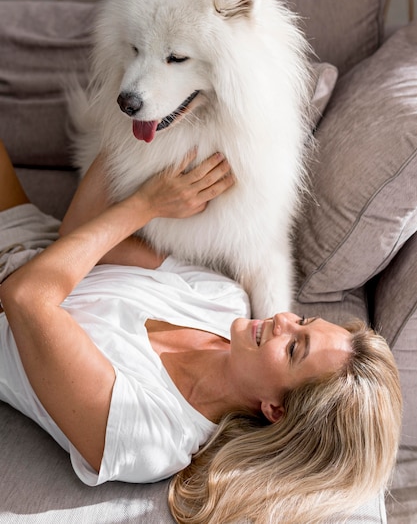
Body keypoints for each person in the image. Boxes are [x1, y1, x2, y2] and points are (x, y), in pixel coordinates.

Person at [0, 140, 401, 524]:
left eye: (294, 348)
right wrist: (139, 126)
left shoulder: (151, 435)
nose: (283, 320)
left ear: (275, 410)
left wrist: (145, 205)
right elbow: (78, 234)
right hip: (23, 235)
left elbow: (25, 298)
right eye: (303, 321)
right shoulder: (222, 300)